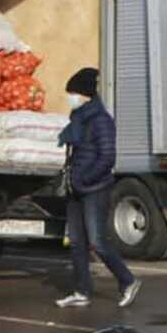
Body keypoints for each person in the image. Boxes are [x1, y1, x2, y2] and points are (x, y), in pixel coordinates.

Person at [56, 68, 138, 309]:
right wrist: (72, 179)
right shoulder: (77, 119)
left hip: (94, 189)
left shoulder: (100, 121)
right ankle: (81, 291)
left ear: (85, 95)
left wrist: (84, 179)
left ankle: (128, 280)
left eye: (73, 93)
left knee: (97, 242)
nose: (70, 97)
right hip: (75, 188)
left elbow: (107, 157)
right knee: (76, 242)